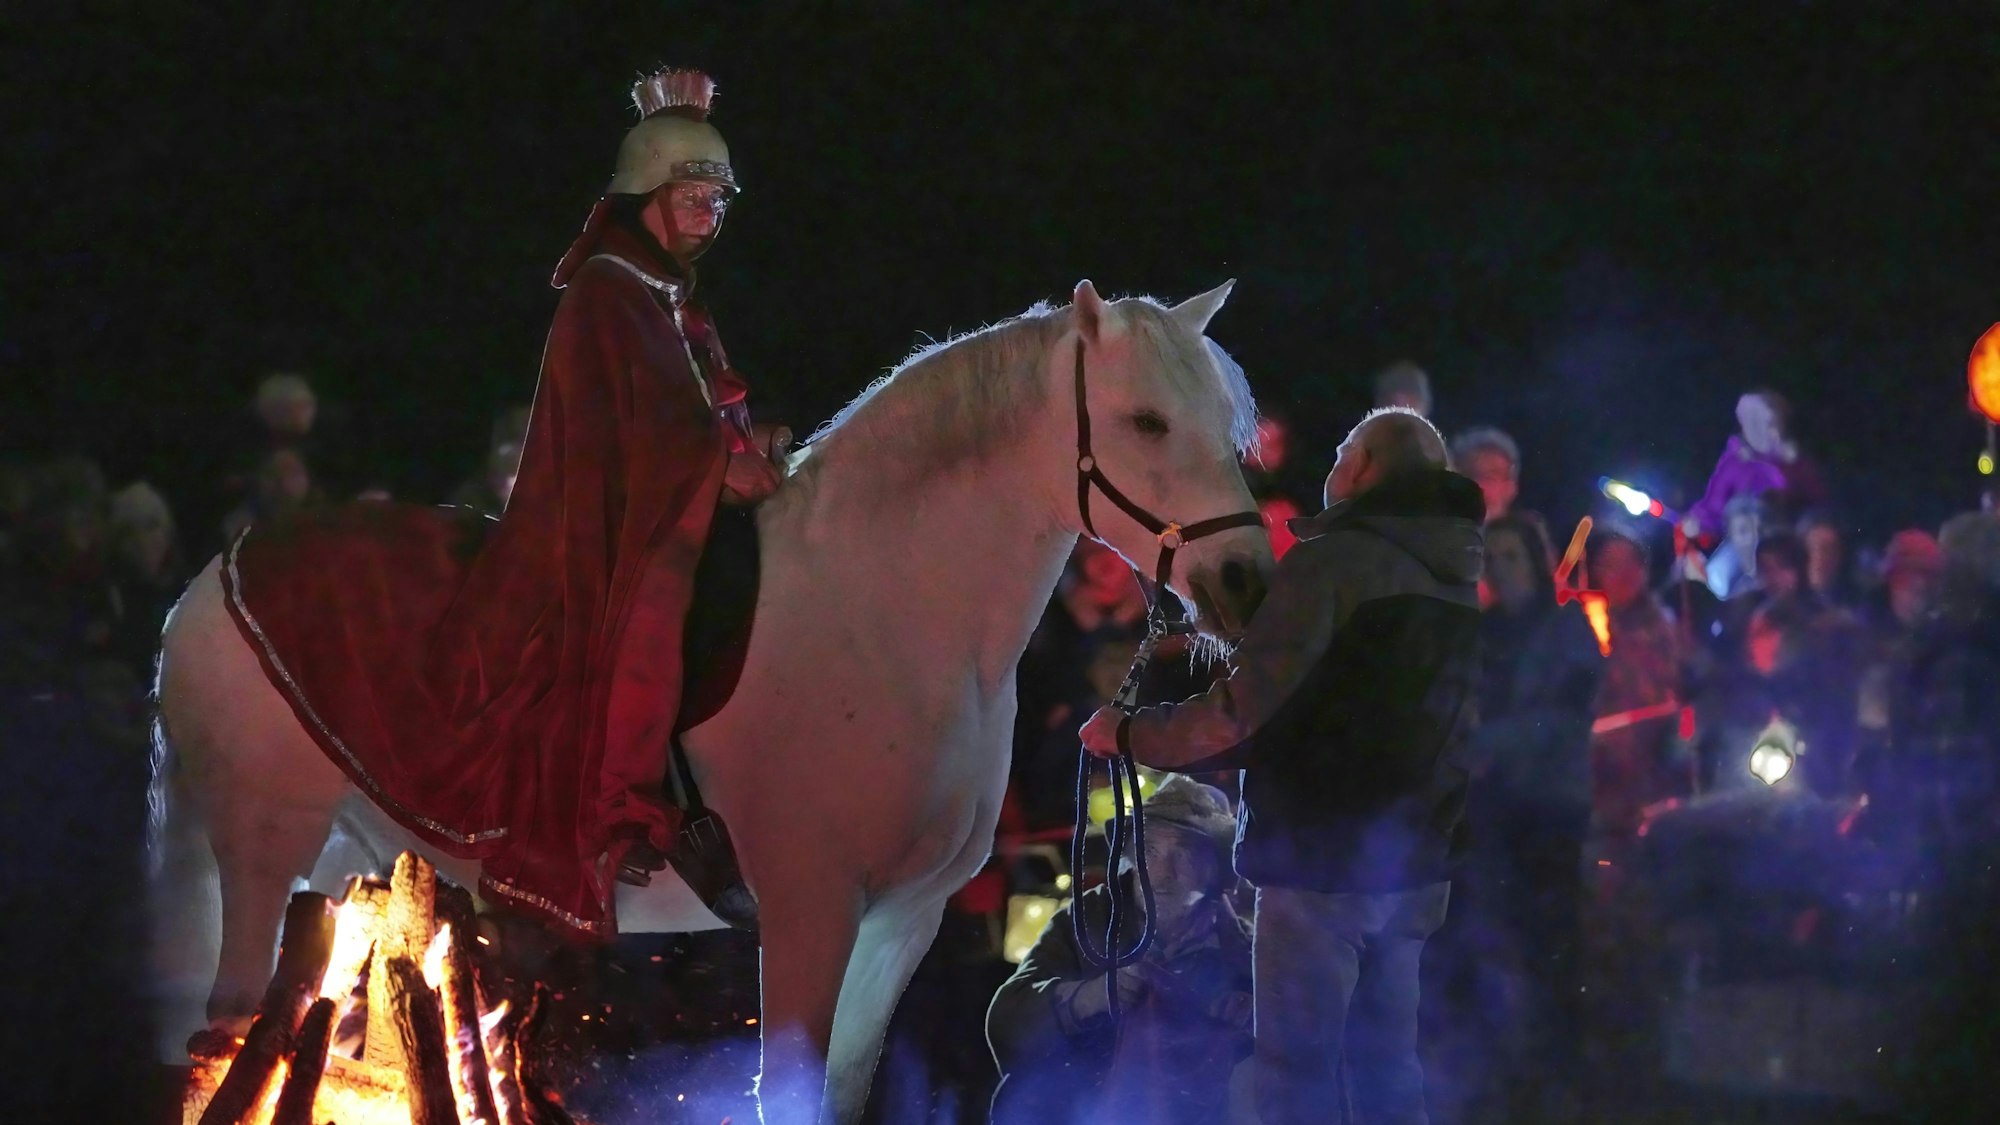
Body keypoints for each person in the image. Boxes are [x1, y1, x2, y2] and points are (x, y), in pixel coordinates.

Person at [218, 67, 788, 936]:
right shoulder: (609, 292)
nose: (711, 210)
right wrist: (719, 466)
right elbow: (635, 434)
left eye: (720, 197)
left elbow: (702, 403)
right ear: (647, 194)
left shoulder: (675, 299)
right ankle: (612, 816)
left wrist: (751, 446)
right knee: (639, 622)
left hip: (671, 512)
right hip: (600, 528)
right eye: (694, 191)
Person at [1081, 407, 1484, 1125]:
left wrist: (1131, 734)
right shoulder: (1454, 572)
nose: (1331, 466)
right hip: (1416, 865)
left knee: (1295, 1074)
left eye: (1340, 451)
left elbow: (1243, 711)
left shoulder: (1334, 562)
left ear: (1361, 466)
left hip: (1320, 865)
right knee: (1387, 1066)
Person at [1434, 513, 1601, 1122]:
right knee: (1480, 934)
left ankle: (1558, 1070)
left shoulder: (1568, 629)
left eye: (1511, 555)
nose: (1501, 567)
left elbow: (1562, 716)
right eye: (1492, 556)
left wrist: (1489, 744)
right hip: (1486, 808)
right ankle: (1489, 1069)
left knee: (1548, 939)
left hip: (1546, 805)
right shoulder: (1479, 632)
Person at [987, 776, 1253, 1125]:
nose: (1160, 874)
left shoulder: (1244, 953)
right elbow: (1005, 1025)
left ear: (1217, 870)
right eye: (1150, 851)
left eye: (1183, 855)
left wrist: (1253, 1022)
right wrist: (1089, 998)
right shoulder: (1087, 921)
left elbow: (1296, 1067)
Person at [1681, 389, 1825, 545]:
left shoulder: (1796, 463)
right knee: (1717, 569)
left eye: (1771, 422)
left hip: (1790, 542)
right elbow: (1715, 503)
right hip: (1744, 546)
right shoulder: (1734, 463)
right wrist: (1697, 519)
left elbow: (1819, 503)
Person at [1449, 426, 1521, 524]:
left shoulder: (1530, 537)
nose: (1477, 485)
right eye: (1469, 474)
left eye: (1489, 478)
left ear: (1510, 487)